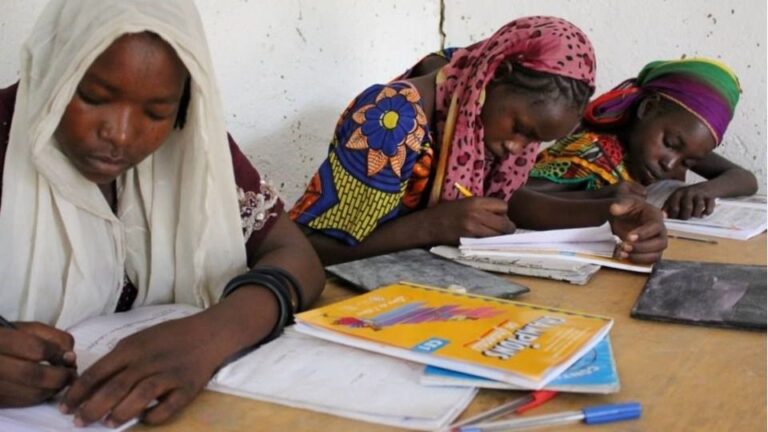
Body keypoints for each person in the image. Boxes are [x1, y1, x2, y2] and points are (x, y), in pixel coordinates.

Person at [0, 0, 324, 427]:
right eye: (93, 97)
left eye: (155, 112)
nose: (119, 133)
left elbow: (294, 253)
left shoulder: (190, 145)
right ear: (54, 69)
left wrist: (214, 333)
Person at [290, 16, 667, 266]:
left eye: (534, 141)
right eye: (520, 128)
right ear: (495, 75)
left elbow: (503, 205)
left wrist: (609, 216)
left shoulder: (477, 110)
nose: (519, 149)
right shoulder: (392, 119)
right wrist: (431, 226)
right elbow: (308, 247)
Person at [528, 58, 757, 220]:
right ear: (647, 108)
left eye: (687, 162)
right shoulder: (589, 151)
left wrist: (704, 191)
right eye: (669, 144)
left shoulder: (680, 149)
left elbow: (745, 179)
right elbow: (516, 197)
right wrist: (600, 198)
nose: (671, 164)